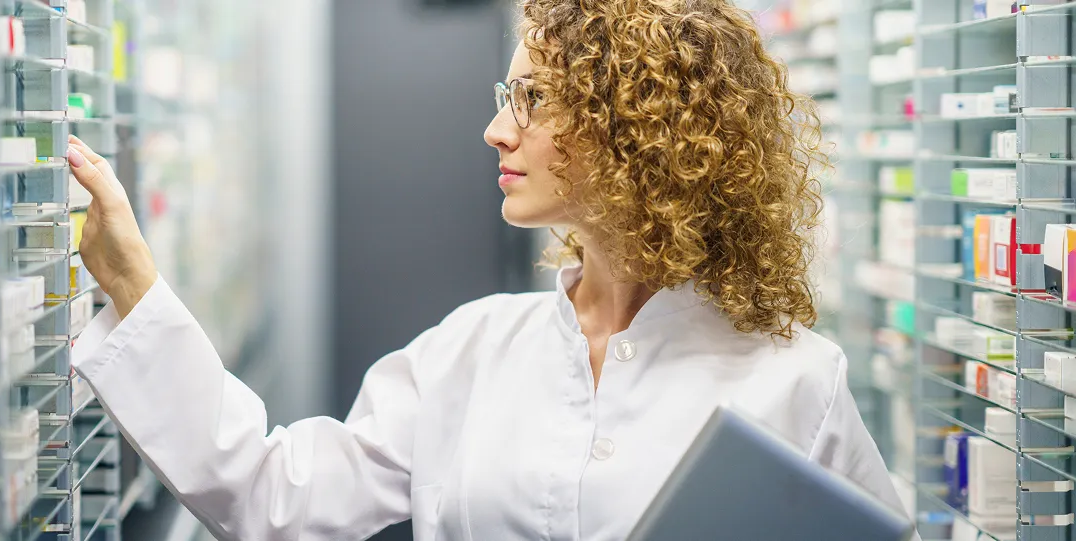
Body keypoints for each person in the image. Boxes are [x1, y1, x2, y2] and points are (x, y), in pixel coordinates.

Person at [68, 1, 913, 540]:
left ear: (639, 134)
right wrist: (136, 286)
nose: (497, 131)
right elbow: (270, 497)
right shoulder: (473, 348)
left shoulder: (795, 379)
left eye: (533, 100)